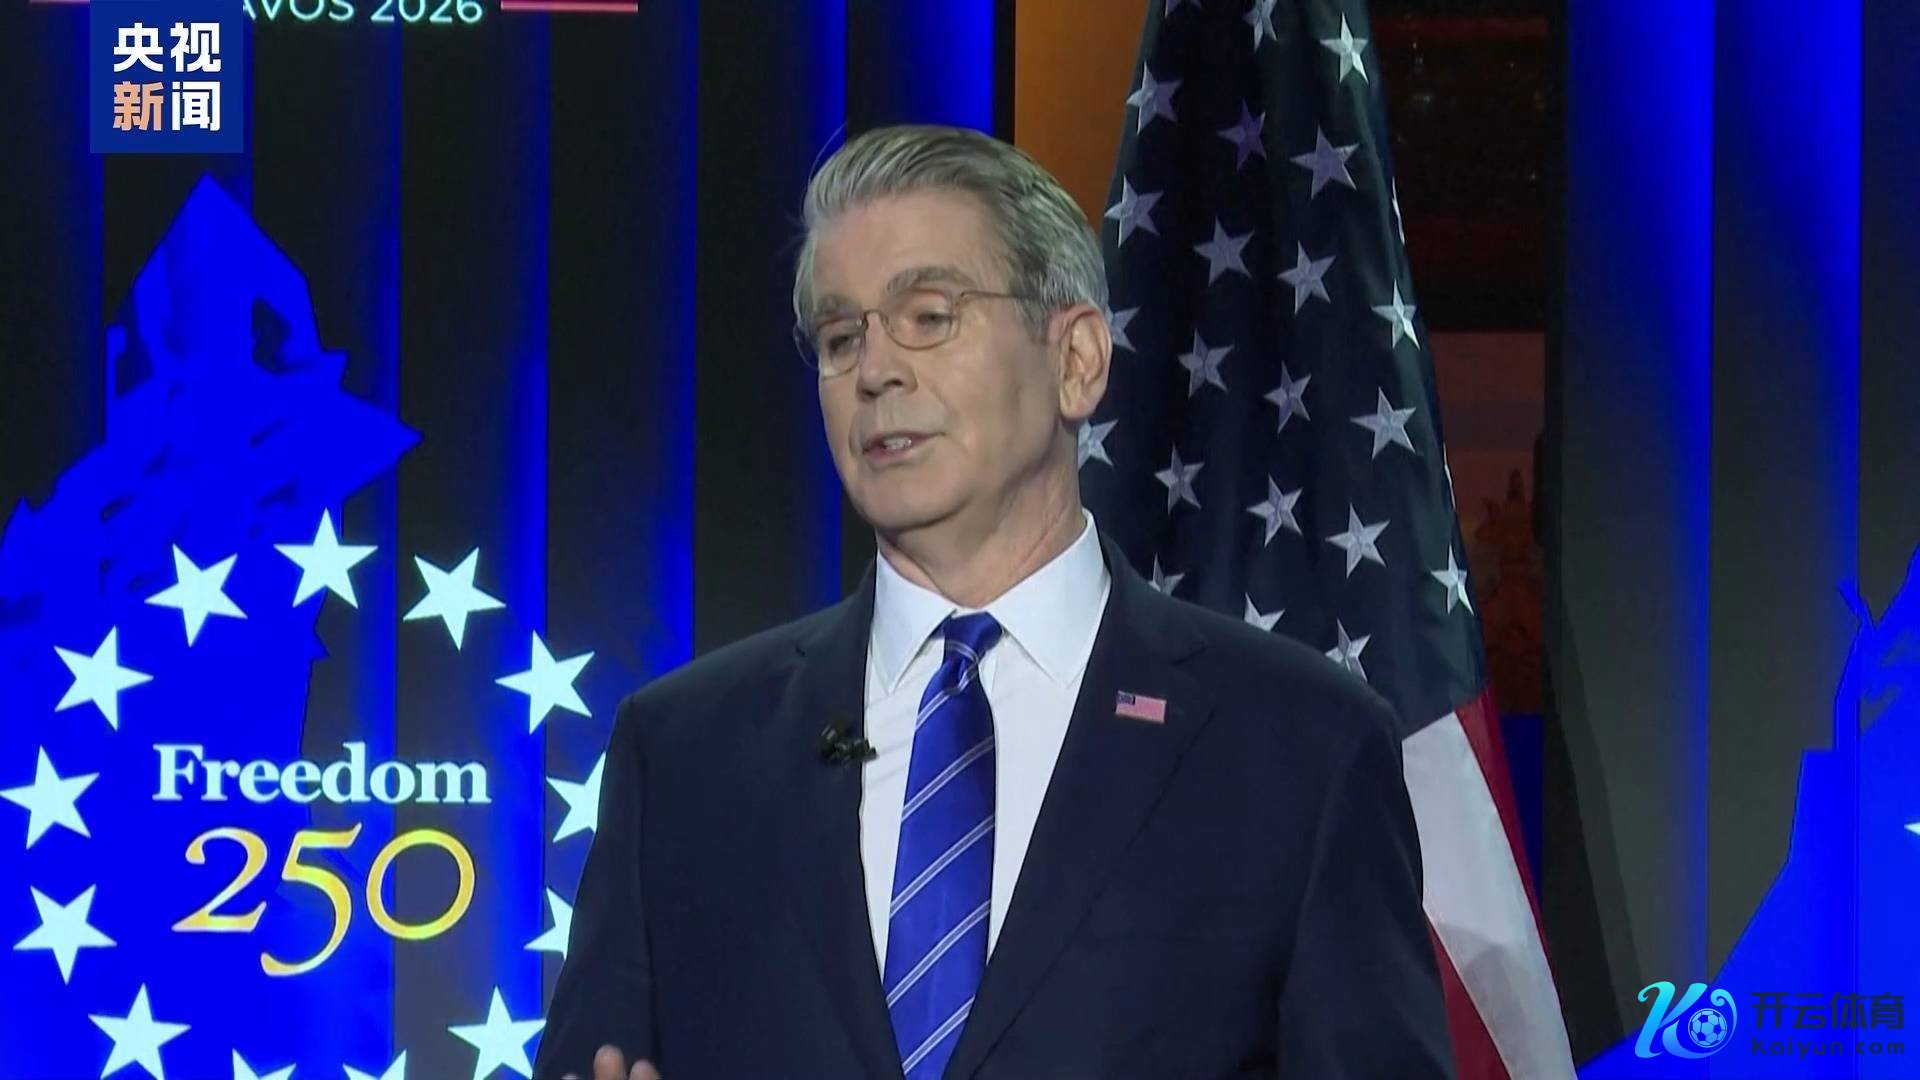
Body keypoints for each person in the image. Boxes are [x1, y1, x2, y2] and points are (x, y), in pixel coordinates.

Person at [535, 124, 1454, 1080]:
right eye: (842, 338)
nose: (876, 371)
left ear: (1076, 360)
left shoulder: (1300, 746)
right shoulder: (683, 754)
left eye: (929, 316)